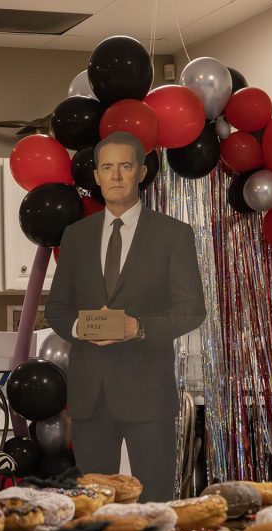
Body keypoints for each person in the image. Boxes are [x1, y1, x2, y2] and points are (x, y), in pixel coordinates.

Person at [45, 131, 206, 502]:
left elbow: (191, 310)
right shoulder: (75, 236)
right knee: (93, 505)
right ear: (97, 176)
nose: (115, 176)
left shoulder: (172, 235)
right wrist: (77, 328)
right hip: (90, 396)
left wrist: (139, 327)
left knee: (155, 503)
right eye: (107, 167)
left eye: (125, 166)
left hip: (148, 393)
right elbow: (57, 309)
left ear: (142, 172)